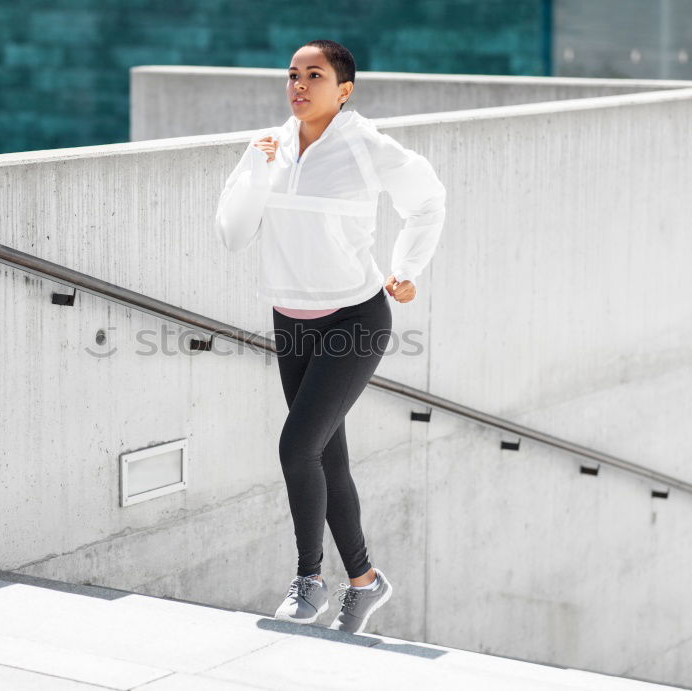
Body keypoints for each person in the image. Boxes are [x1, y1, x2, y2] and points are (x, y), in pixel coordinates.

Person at [213, 39, 447, 634]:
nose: (298, 85)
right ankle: (366, 583)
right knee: (326, 456)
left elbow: (427, 201)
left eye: (313, 75)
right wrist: (259, 173)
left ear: (344, 90)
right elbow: (234, 234)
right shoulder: (268, 146)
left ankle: (309, 580)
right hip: (289, 321)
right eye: (292, 74)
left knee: (297, 448)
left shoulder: (365, 145)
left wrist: (406, 269)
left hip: (354, 320)